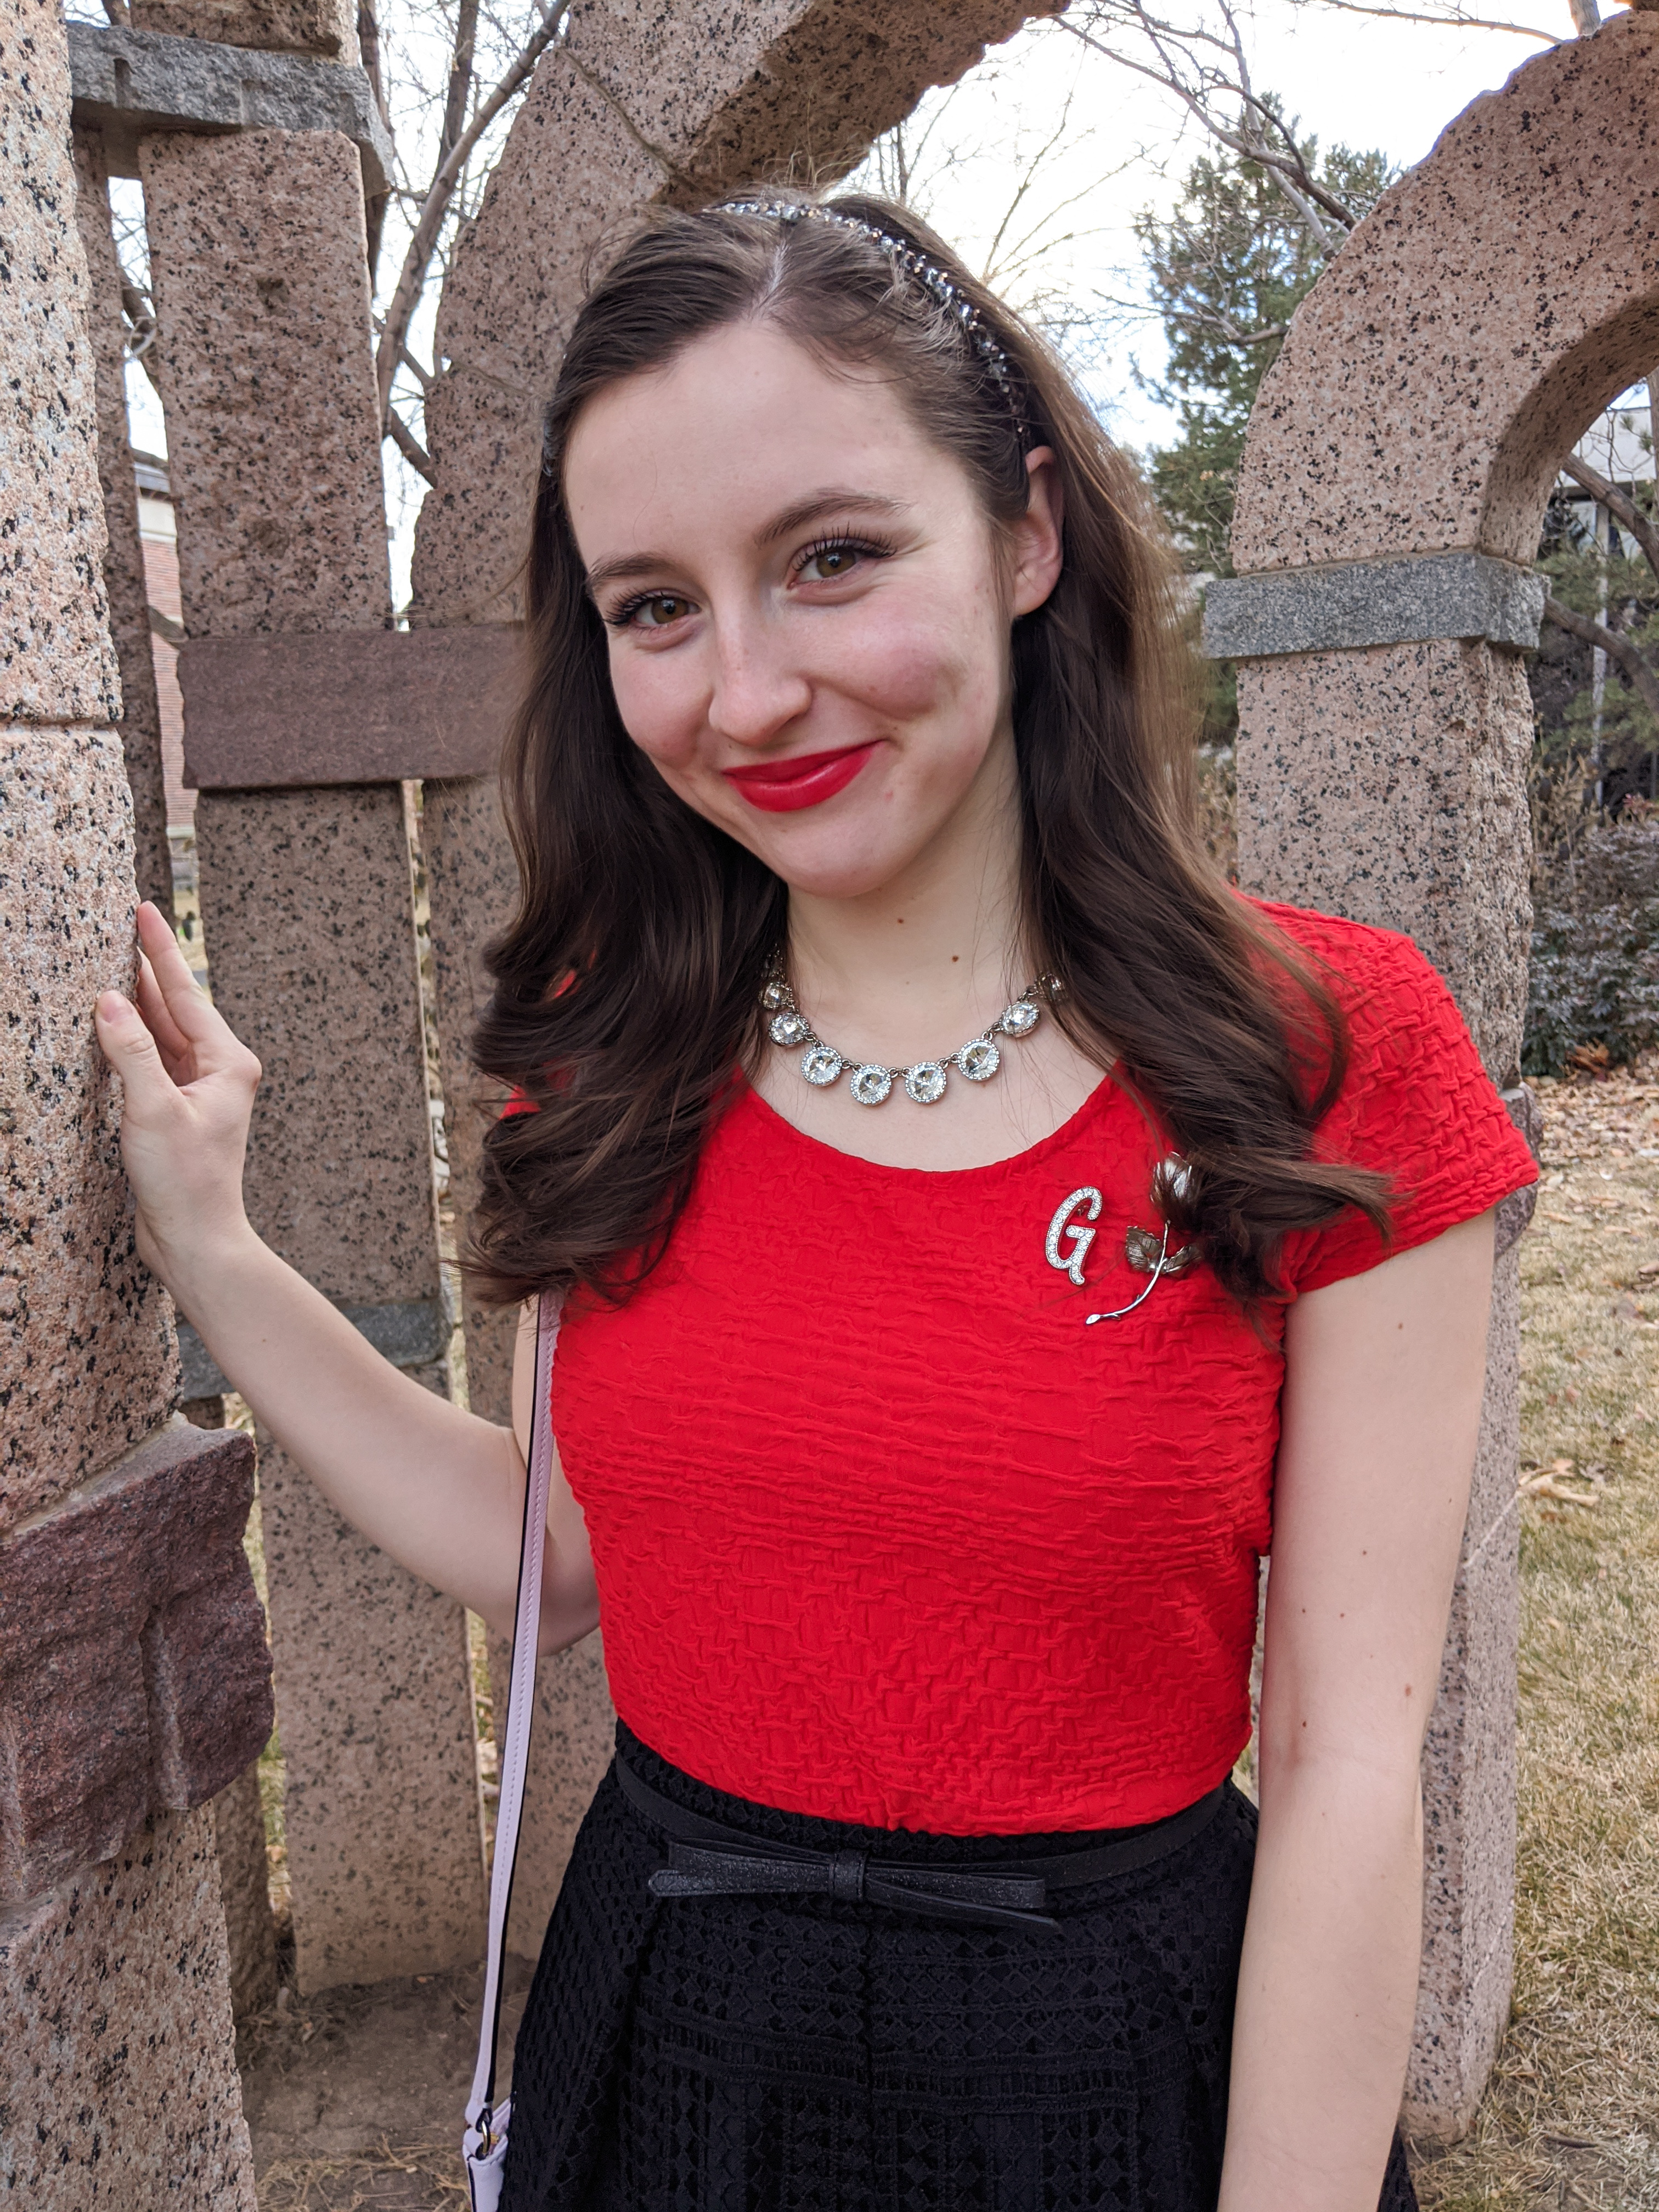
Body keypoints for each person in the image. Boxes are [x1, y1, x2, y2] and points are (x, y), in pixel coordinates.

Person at [96, 193, 1538, 2212]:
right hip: (675, 2035)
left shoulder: (1326, 1045)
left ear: (1026, 534)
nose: (748, 694)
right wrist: (220, 1257)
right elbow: (560, 1551)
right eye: (655, 608)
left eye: (833, 560)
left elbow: (1351, 1765)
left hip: (1120, 2055)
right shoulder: (615, 1045)